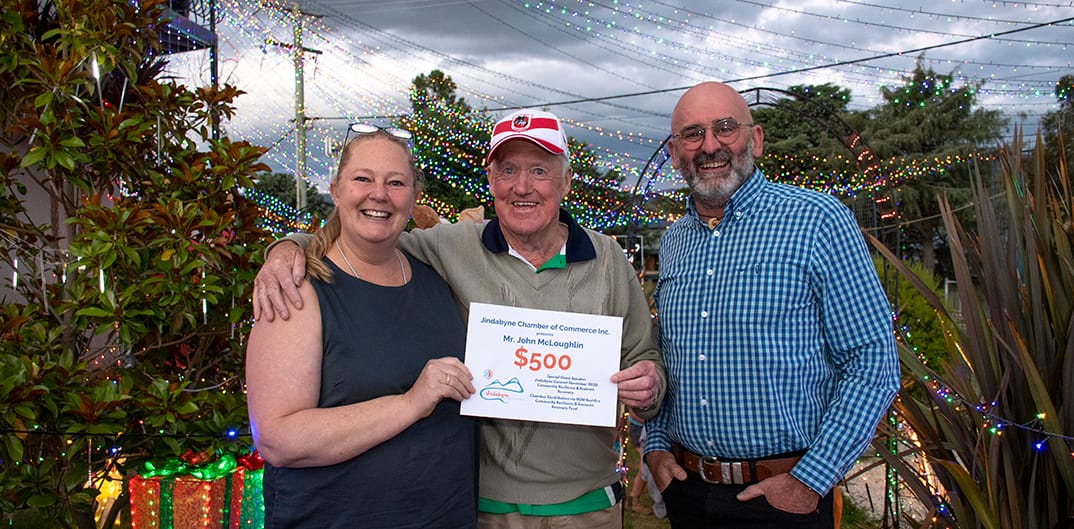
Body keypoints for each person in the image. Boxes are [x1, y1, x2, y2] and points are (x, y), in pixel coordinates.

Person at [253, 109, 667, 529]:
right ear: (491, 180)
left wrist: (649, 386)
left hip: (585, 504)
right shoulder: (450, 246)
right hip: (481, 507)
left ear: (566, 181)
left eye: (540, 171)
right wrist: (287, 249)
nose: (522, 186)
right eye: (508, 170)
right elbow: (365, 238)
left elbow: (644, 358)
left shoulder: (608, 259)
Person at [644, 81, 900, 528]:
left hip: (783, 498)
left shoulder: (817, 220)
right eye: (693, 134)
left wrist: (810, 480)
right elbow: (668, 356)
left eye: (726, 128)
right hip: (688, 491)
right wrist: (656, 446)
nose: (710, 146)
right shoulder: (674, 242)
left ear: (756, 139)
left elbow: (872, 361)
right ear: (674, 152)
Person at [245, 128, 478, 529]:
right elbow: (278, 439)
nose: (379, 194)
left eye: (396, 183)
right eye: (363, 178)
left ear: (414, 198)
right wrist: (409, 403)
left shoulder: (436, 279)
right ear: (336, 190)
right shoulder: (296, 288)